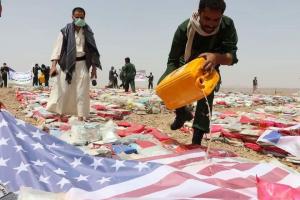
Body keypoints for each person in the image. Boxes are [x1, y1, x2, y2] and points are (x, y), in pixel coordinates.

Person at [158, 0, 238, 145]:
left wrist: (215, 58)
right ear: (199, 13)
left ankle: (197, 139)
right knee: (163, 87)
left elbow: (232, 57)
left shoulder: (227, 26)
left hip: (209, 66)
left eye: (216, 20)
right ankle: (182, 113)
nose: (211, 24)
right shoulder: (184, 29)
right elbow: (173, 59)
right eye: (207, 18)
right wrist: (168, 80)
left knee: (206, 92)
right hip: (185, 63)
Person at [46, 7, 102, 121]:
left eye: (82, 17)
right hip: (67, 64)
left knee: (82, 90)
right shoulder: (65, 30)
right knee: (63, 90)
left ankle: (81, 116)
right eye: (77, 17)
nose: (80, 19)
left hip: (83, 63)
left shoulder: (88, 31)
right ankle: (60, 114)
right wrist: (53, 66)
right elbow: (57, 49)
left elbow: (93, 51)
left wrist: (94, 69)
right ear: (72, 17)